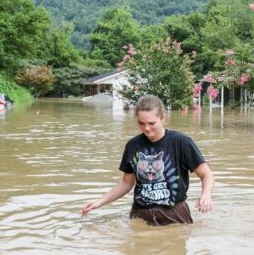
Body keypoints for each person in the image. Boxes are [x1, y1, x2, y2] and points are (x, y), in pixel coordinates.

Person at [81, 94, 214, 225]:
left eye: (151, 123)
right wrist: (100, 201)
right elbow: (126, 183)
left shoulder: (181, 142)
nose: (147, 128)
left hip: (174, 213)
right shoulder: (133, 145)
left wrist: (206, 195)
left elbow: (206, 174)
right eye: (141, 123)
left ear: (163, 118)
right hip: (140, 213)